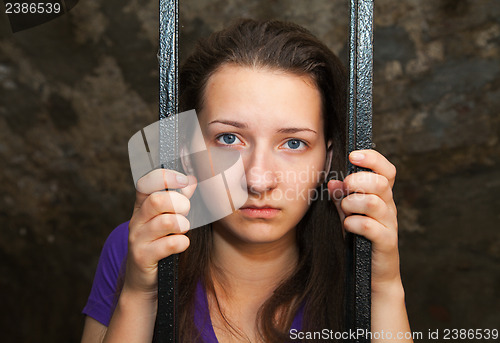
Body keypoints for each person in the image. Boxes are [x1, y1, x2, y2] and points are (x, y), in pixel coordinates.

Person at [81, 19, 412, 343]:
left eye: (293, 143)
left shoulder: (355, 260)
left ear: (326, 160)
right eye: (228, 139)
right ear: (186, 152)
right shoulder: (137, 247)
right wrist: (140, 295)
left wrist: (383, 288)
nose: (259, 179)